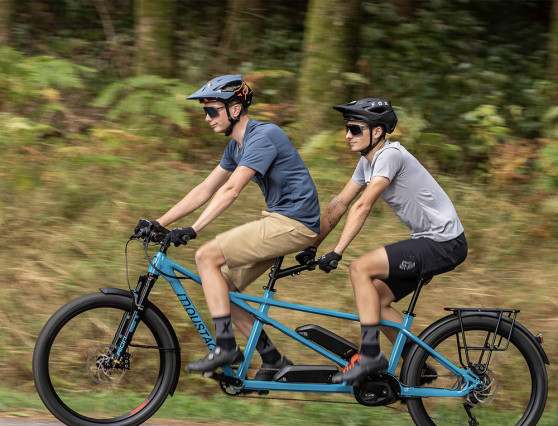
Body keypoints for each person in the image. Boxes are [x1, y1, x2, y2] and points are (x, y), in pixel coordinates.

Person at [135, 75, 320, 378]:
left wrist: (194, 229)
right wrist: (159, 222)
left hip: (294, 223)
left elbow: (231, 190)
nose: (207, 119)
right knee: (220, 286)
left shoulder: (263, 136)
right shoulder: (236, 147)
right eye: (204, 112)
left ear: (235, 109)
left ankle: (225, 347)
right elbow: (205, 188)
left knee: (206, 256)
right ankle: (272, 358)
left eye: (212, 111)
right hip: (281, 221)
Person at [297, 98, 467, 386]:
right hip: (432, 241)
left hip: (443, 242)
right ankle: (418, 363)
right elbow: (339, 204)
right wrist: (313, 245)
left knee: (360, 268)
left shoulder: (390, 155)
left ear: (377, 132)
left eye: (354, 129)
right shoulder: (367, 163)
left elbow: (363, 205)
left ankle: (371, 355)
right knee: (374, 299)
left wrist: (337, 251)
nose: (347, 135)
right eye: (347, 129)